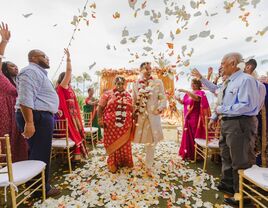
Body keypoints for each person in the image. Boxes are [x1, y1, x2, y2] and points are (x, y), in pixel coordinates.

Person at [213, 53, 265, 206]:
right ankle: (229, 184)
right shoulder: (229, 82)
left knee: (240, 160)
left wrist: (221, 109)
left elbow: (247, 105)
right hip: (228, 122)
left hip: (240, 123)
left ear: (233, 63)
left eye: (223, 63)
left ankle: (242, 196)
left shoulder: (246, 80)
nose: (221, 67)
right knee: (227, 155)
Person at [15, 49, 60, 197]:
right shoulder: (30, 71)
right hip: (36, 117)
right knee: (41, 154)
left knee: (36, 152)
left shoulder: (38, 73)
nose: (47, 58)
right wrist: (29, 122)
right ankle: (41, 189)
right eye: (44, 56)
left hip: (39, 115)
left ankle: (34, 184)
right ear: (33, 58)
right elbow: (25, 97)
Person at [0, 23, 28, 162]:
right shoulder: (1, 77)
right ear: (5, 68)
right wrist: (4, 42)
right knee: (5, 143)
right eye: (12, 66)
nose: (16, 67)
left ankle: (16, 172)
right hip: (4, 114)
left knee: (18, 143)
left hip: (16, 114)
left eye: (16, 65)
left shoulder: (19, 81)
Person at [132, 62, 167, 171]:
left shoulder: (158, 82)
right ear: (140, 70)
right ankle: (146, 159)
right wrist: (134, 112)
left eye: (150, 68)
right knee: (144, 139)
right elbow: (134, 99)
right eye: (146, 69)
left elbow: (163, 98)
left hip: (153, 115)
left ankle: (149, 164)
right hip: (141, 117)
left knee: (151, 141)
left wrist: (160, 108)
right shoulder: (136, 84)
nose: (148, 70)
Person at [56, 49, 88, 161]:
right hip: (68, 115)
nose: (70, 78)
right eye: (68, 77)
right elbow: (69, 71)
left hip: (74, 114)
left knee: (78, 132)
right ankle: (73, 157)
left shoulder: (69, 87)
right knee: (74, 134)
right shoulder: (63, 85)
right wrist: (68, 59)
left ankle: (76, 157)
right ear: (64, 78)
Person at [98, 76, 134, 173]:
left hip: (125, 126)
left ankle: (125, 161)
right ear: (115, 84)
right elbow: (100, 108)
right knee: (112, 144)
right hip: (110, 126)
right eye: (118, 83)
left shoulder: (128, 95)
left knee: (125, 144)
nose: (120, 85)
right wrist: (100, 120)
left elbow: (132, 109)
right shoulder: (107, 94)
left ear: (124, 84)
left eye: (122, 83)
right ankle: (113, 163)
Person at [176, 79, 211, 160]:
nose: (192, 85)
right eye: (192, 83)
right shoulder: (188, 94)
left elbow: (196, 99)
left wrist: (185, 91)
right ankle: (188, 153)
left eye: (194, 83)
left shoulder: (200, 92)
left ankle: (197, 155)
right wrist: (178, 100)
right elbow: (184, 103)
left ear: (198, 84)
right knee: (187, 135)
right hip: (188, 116)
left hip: (195, 117)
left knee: (195, 135)